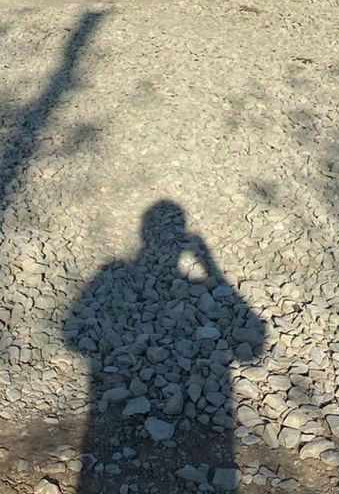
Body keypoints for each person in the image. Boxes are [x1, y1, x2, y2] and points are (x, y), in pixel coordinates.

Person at [64, 201, 265, 491]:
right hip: (218, 403)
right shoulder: (126, 272)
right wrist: (213, 270)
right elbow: (255, 347)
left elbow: (72, 338)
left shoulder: (113, 271)